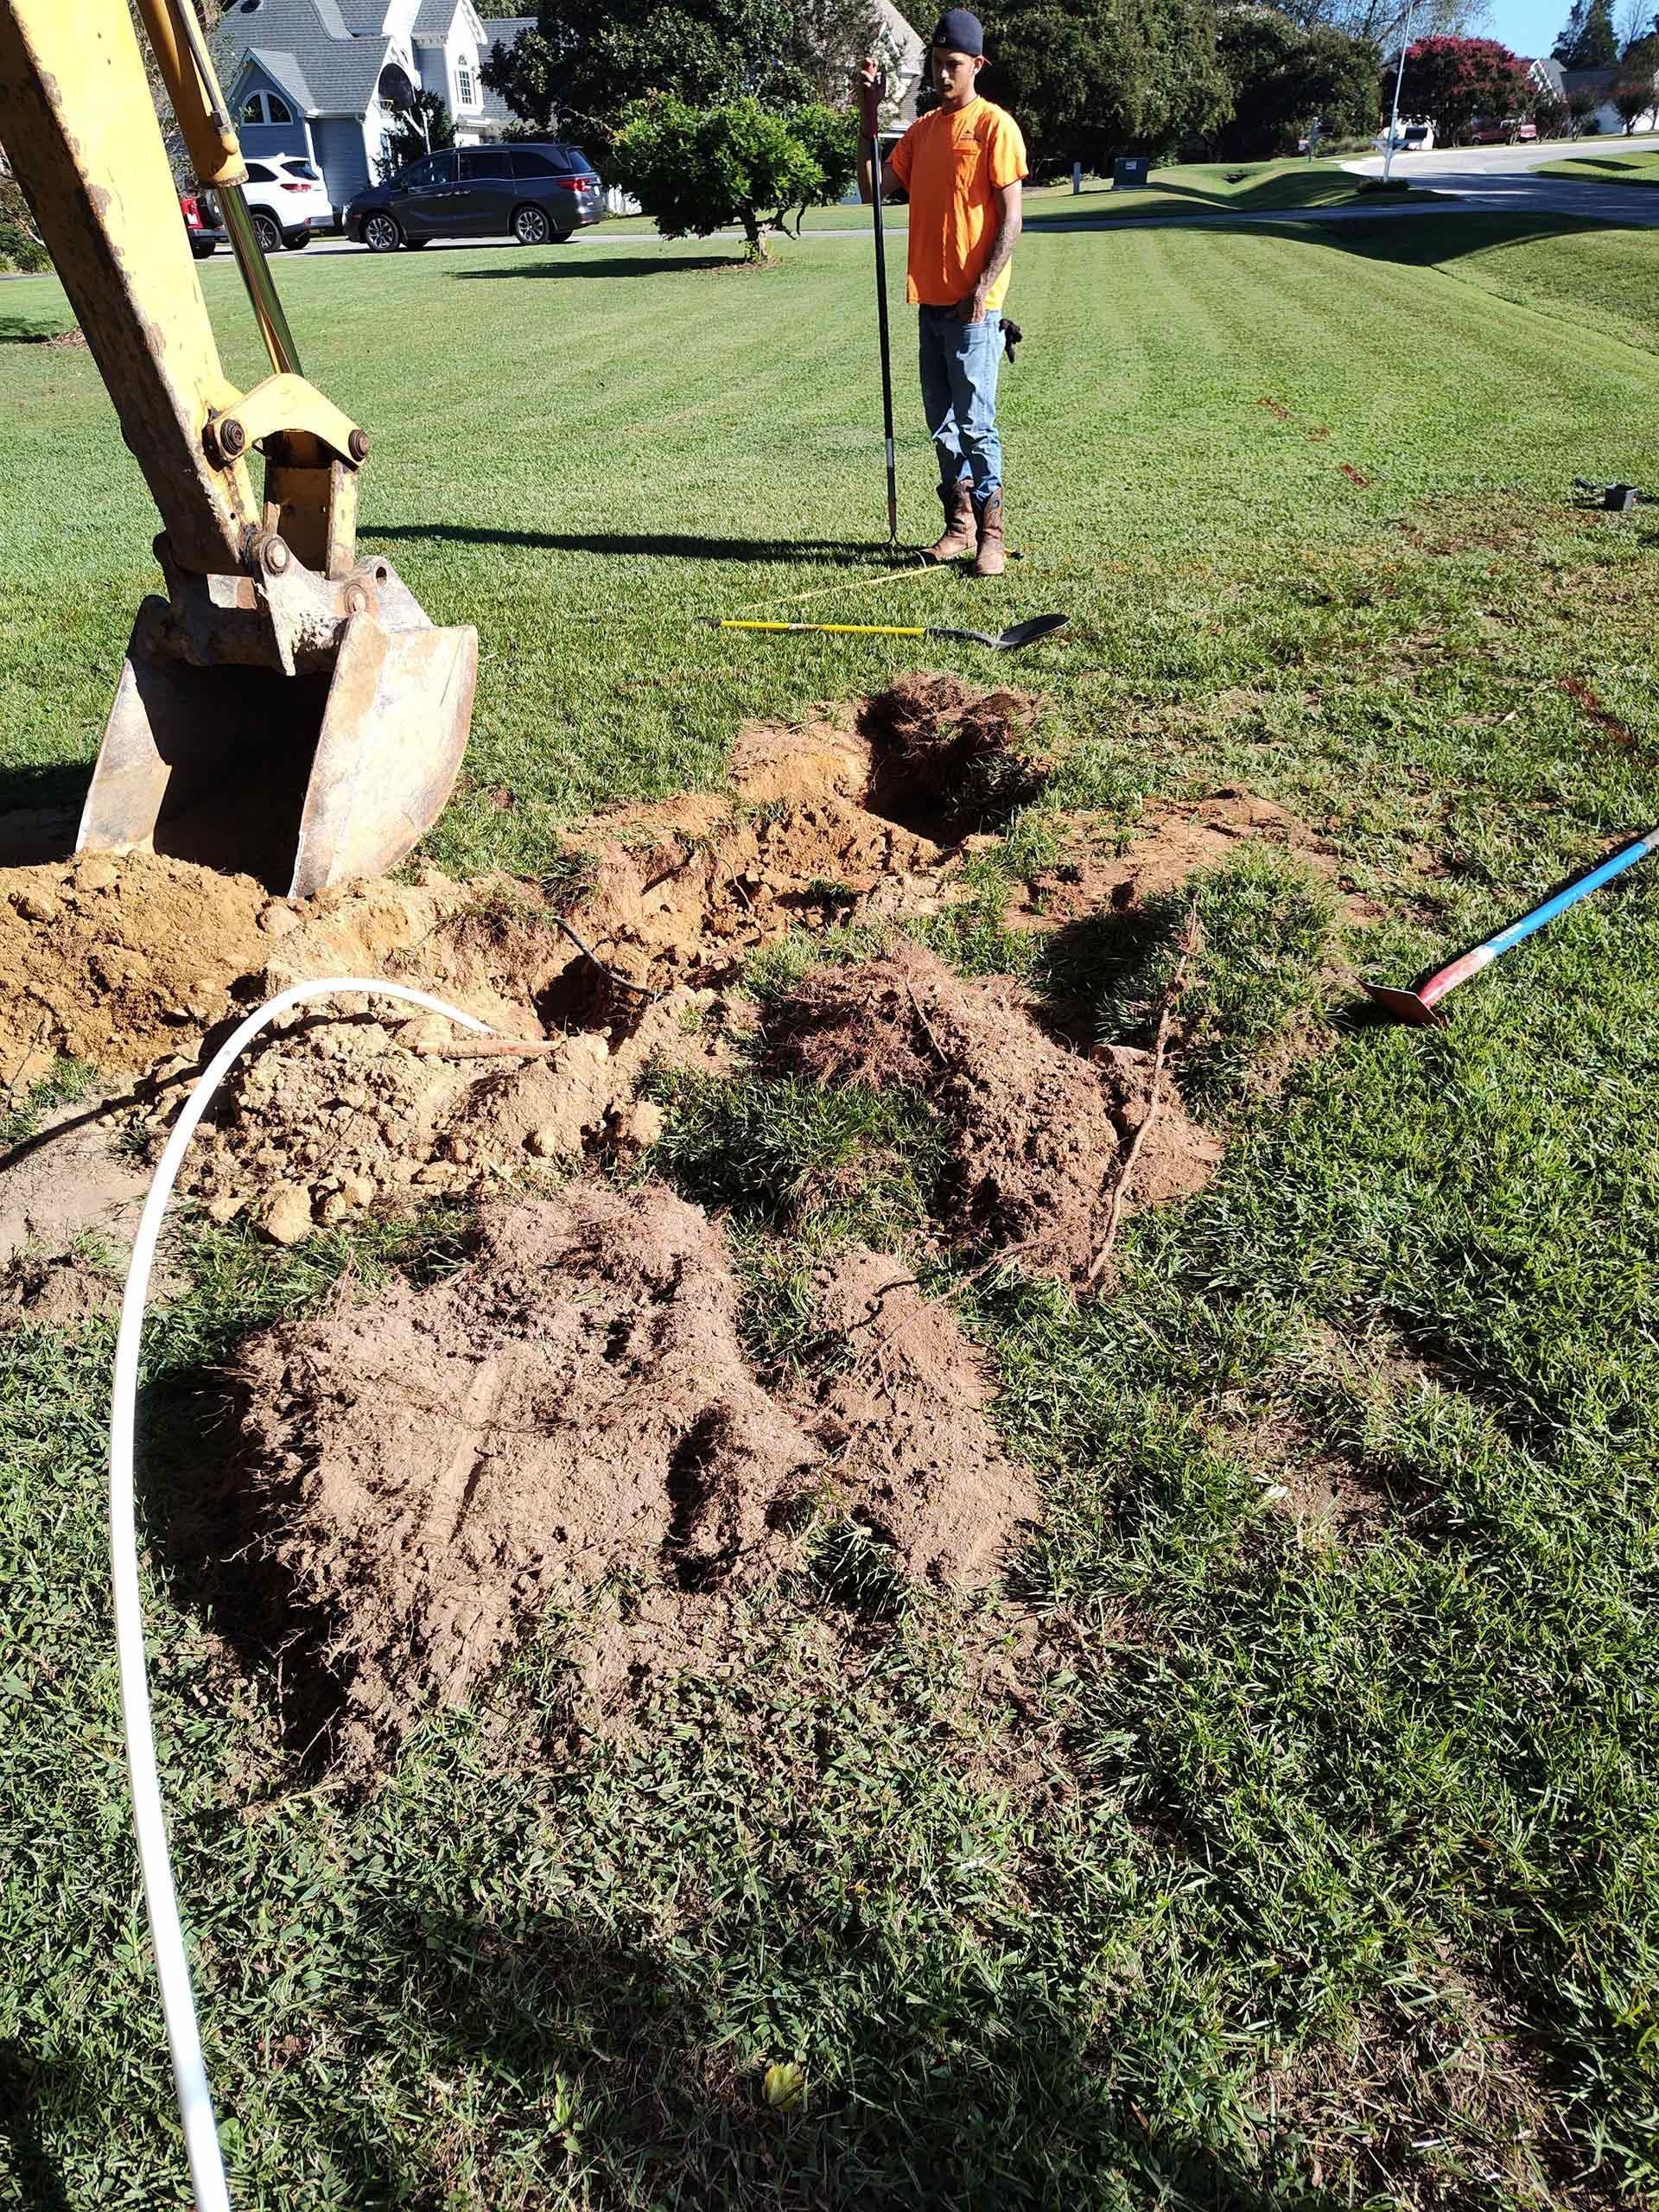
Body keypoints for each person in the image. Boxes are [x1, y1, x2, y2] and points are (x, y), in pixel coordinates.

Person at [858, 10, 1027, 577]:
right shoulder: (922, 131)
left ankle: (993, 537)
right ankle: (959, 528)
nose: (942, 75)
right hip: (929, 302)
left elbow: (1011, 220)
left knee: (976, 422)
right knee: (942, 423)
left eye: (953, 65)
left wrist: (981, 290)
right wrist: (866, 115)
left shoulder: (994, 126)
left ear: (977, 65)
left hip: (974, 308)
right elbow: (872, 190)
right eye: (936, 64)